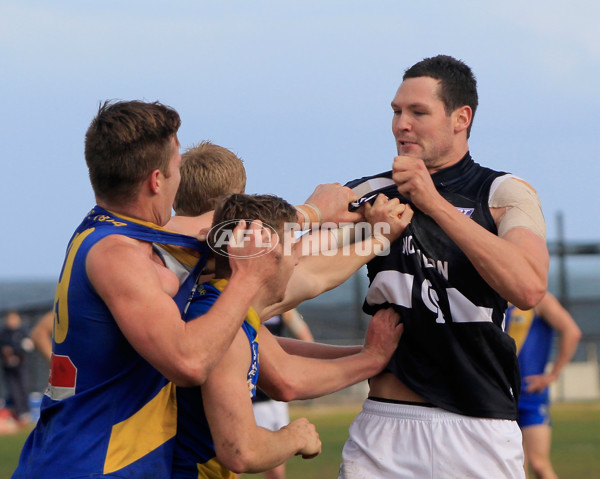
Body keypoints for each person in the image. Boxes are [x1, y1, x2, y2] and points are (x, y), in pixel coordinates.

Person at [11, 100, 325, 479]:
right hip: (94, 465)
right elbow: (189, 363)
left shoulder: (120, 234)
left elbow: (240, 241)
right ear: (156, 180)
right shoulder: (119, 256)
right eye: (177, 169)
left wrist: (322, 216)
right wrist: (246, 277)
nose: (179, 183)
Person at [338, 55, 550, 478]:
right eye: (396, 112)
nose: (402, 124)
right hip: (385, 431)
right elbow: (295, 240)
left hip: (481, 430)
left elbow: (528, 288)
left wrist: (432, 202)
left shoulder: (503, 192)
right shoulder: (368, 195)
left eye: (418, 112)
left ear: (461, 118)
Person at [173, 193, 406, 478]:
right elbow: (242, 451)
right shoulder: (223, 326)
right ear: (267, 254)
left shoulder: (223, 307)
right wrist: (295, 436)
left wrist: (371, 355)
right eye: (293, 245)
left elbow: (281, 355)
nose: (297, 259)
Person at [506, 292, 581, 479]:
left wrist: (552, 375)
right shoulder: (493, 297)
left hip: (531, 395)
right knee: (515, 468)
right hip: (501, 395)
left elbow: (572, 331)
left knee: (539, 464)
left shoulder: (538, 299)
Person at [250, 309, 314, 479]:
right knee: (236, 464)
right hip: (251, 399)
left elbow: (306, 339)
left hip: (276, 400)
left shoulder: (282, 309)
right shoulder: (248, 306)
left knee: (276, 469)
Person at [0, 311, 33, 424]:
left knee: (24, 388)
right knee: (14, 390)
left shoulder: (22, 332)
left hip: (21, 365)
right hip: (8, 367)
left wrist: (15, 351)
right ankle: (19, 414)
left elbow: (28, 346)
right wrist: (5, 353)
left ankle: (26, 413)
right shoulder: (4, 333)